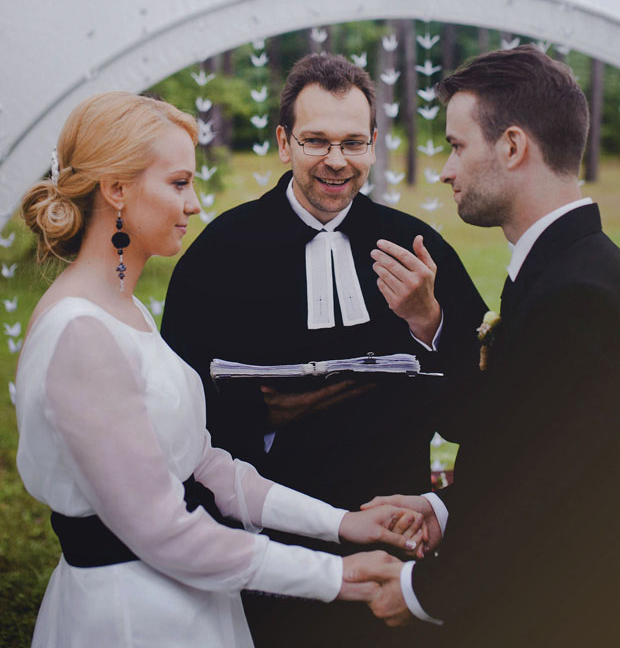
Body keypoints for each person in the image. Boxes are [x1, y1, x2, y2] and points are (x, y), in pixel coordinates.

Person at [15, 90, 427, 648]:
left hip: (189, 599)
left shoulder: (125, 308)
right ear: (116, 190)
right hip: (132, 616)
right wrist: (337, 576)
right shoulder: (81, 334)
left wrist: (340, 523)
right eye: (179, 183)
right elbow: (165, 532)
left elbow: (203, 464)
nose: (194, 204)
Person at [161, 53, 486, 647]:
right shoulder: (219, 252)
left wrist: (429, 322)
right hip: (264, 538)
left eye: (353, 143)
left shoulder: (417, 247)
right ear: (284, 143)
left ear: (373, 144)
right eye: (316, 141)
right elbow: (170, 413)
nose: (337, 161)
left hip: (390, 526)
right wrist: (259, 415)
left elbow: (474, 411)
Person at [349, 45, 620, 648]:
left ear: (514, 147)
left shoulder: (579, 295)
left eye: (456, 145)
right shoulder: (561, 270)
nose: (446, 170)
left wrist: (424, 591)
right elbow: (528, 444)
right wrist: (442, 509)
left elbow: (553, 496)